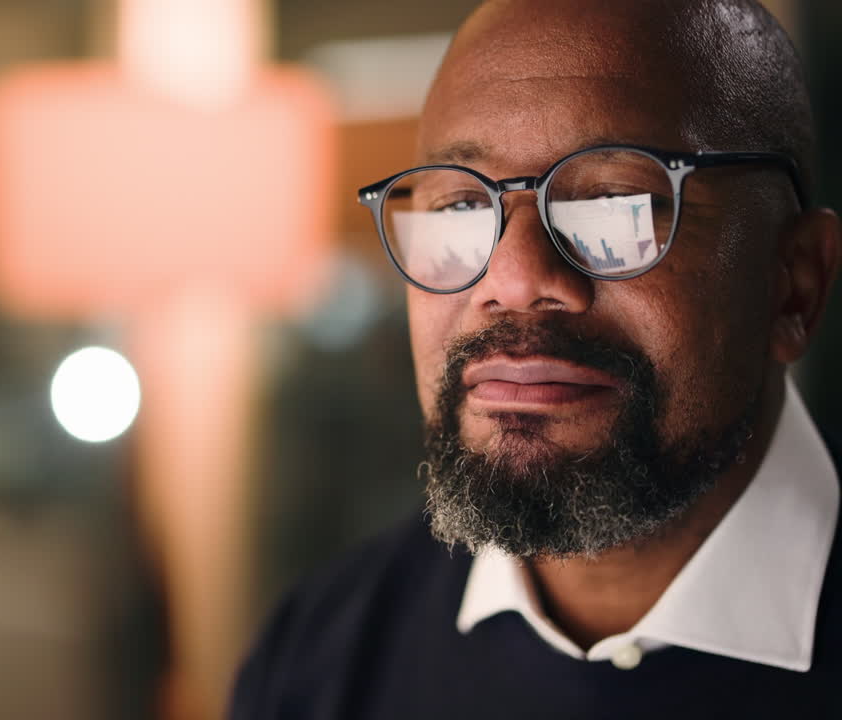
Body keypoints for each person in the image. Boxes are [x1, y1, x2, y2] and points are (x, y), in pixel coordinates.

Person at [229, 0, 842, 717]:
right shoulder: (319, 656)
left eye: (615, 201)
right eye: (459, 208)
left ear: (793, 285)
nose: (513, 278)